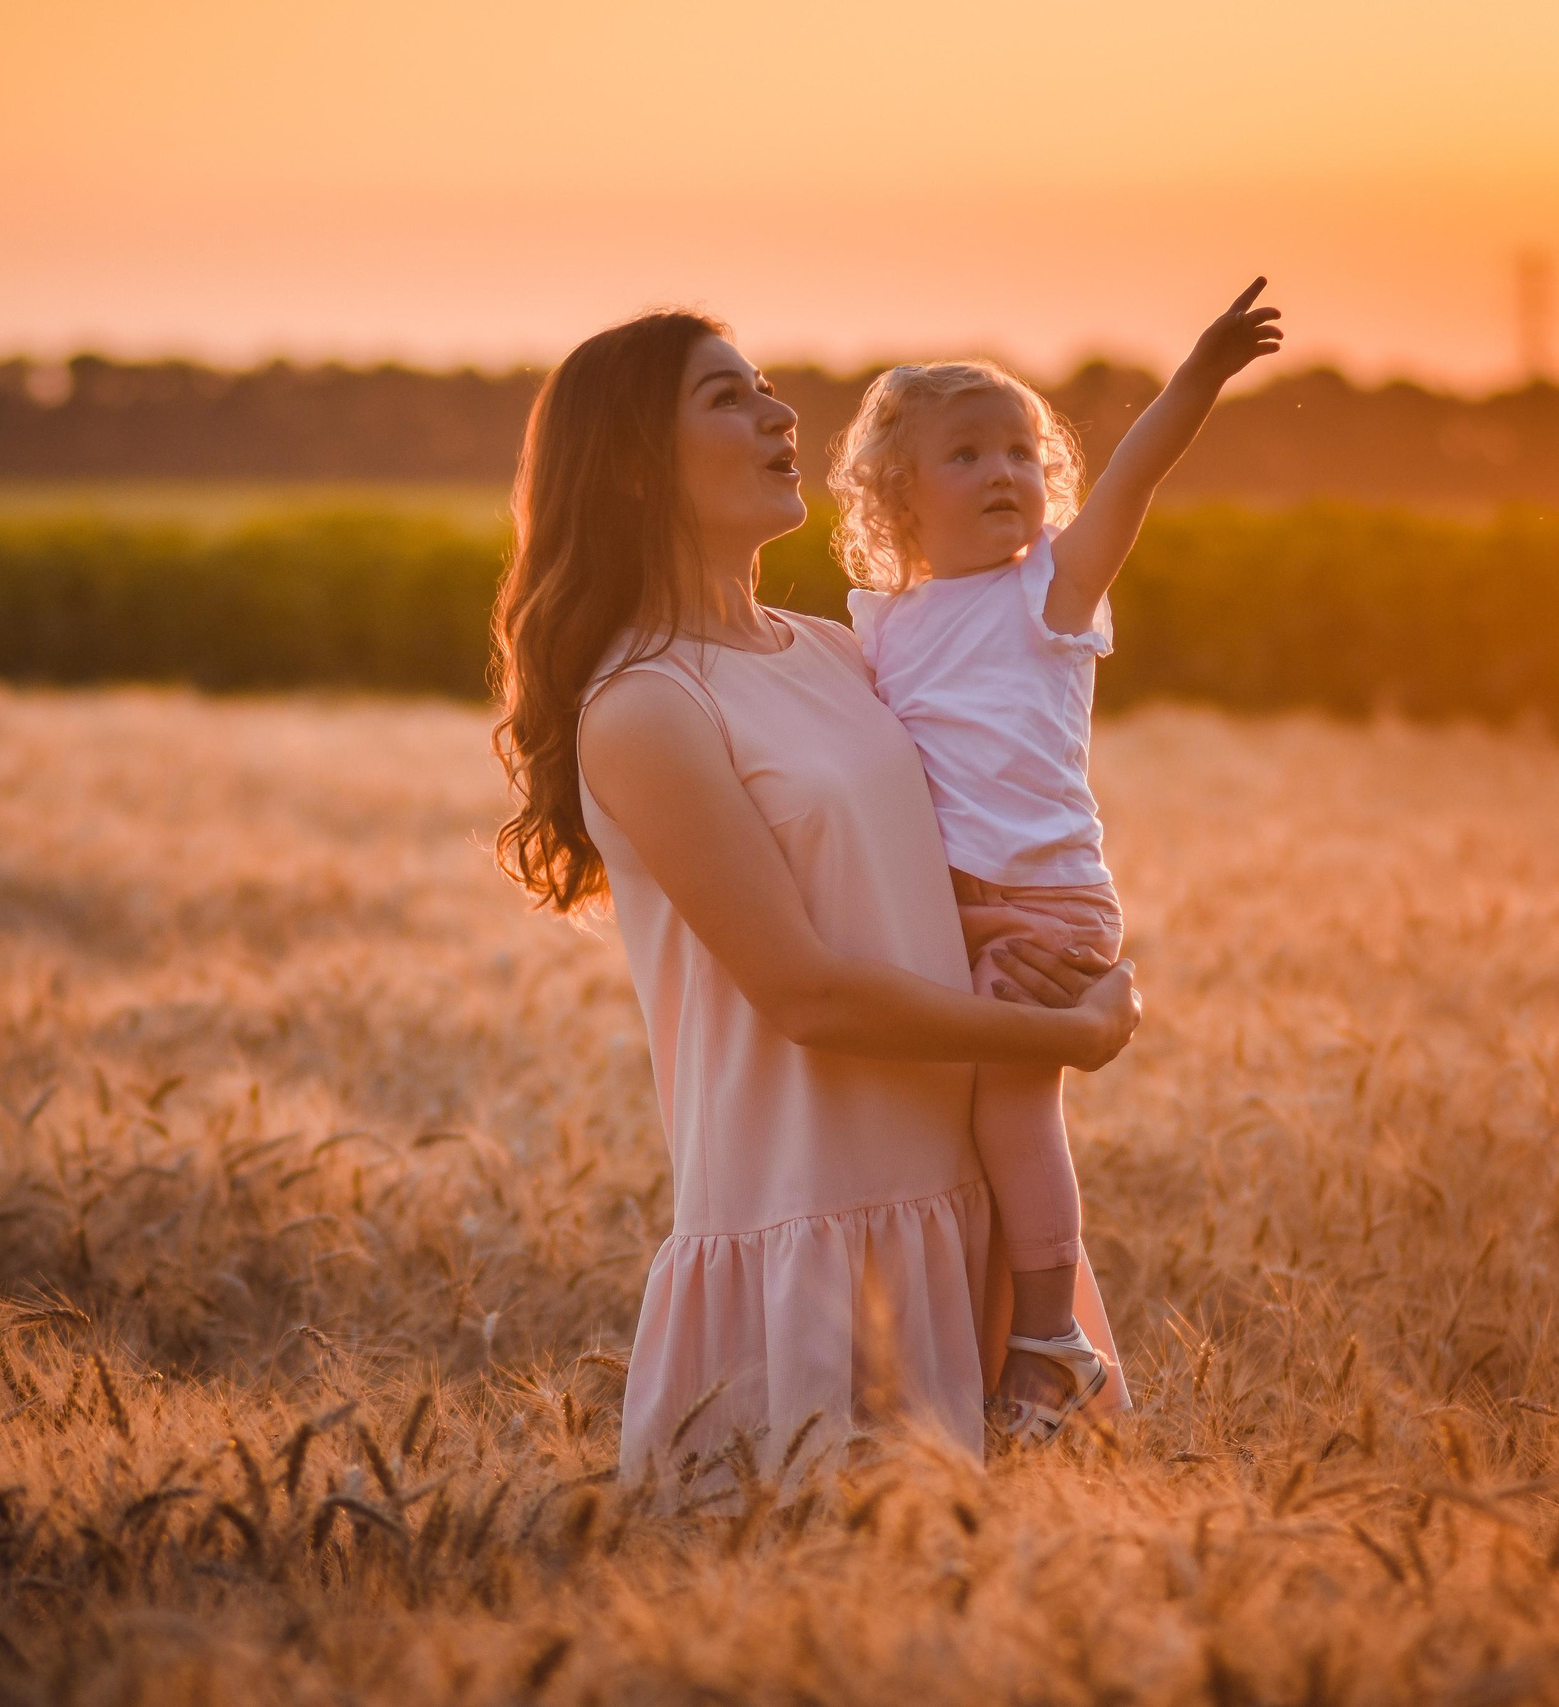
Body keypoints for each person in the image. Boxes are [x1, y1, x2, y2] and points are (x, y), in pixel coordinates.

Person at [489, 311, 1143, 1486]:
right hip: (816, 1232)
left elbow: (896, 892)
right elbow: (806, 992)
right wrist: (1071, 1035)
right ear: (637, 463)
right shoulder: (645, 706)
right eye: (726, 399)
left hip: (957, 1211)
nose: (780, 414)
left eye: (768, 389)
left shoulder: (837, 654)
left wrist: (1034, 945)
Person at [829, 281, 1283, 1440]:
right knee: (950, 1125)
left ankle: (1050, 1339)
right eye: (965, 455)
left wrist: (1200, 373)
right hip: (944, 908)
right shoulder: (884, 623)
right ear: (892, 496)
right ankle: (981, 1333)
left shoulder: (1050, 594)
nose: (1003, 474)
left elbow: (1134, 475)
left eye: (1022, 453)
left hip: (1045, 904)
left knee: (1012, 1107)